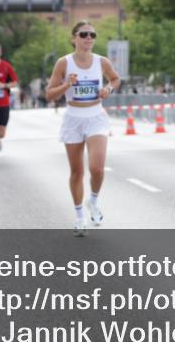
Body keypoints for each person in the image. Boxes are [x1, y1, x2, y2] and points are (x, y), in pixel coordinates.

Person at [46, 21, 121, 236]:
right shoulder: (63, 63)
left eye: (92, 34)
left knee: (97, 169)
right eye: (84, 34)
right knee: (77, 171)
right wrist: (67, 85)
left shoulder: (101, 62)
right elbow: (49, 94)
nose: (89, 38)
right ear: (73, 38)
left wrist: (107, 88)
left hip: (96, 115)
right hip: (73, 118)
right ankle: (79, 217)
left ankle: (93, 201)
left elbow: (115, 79)